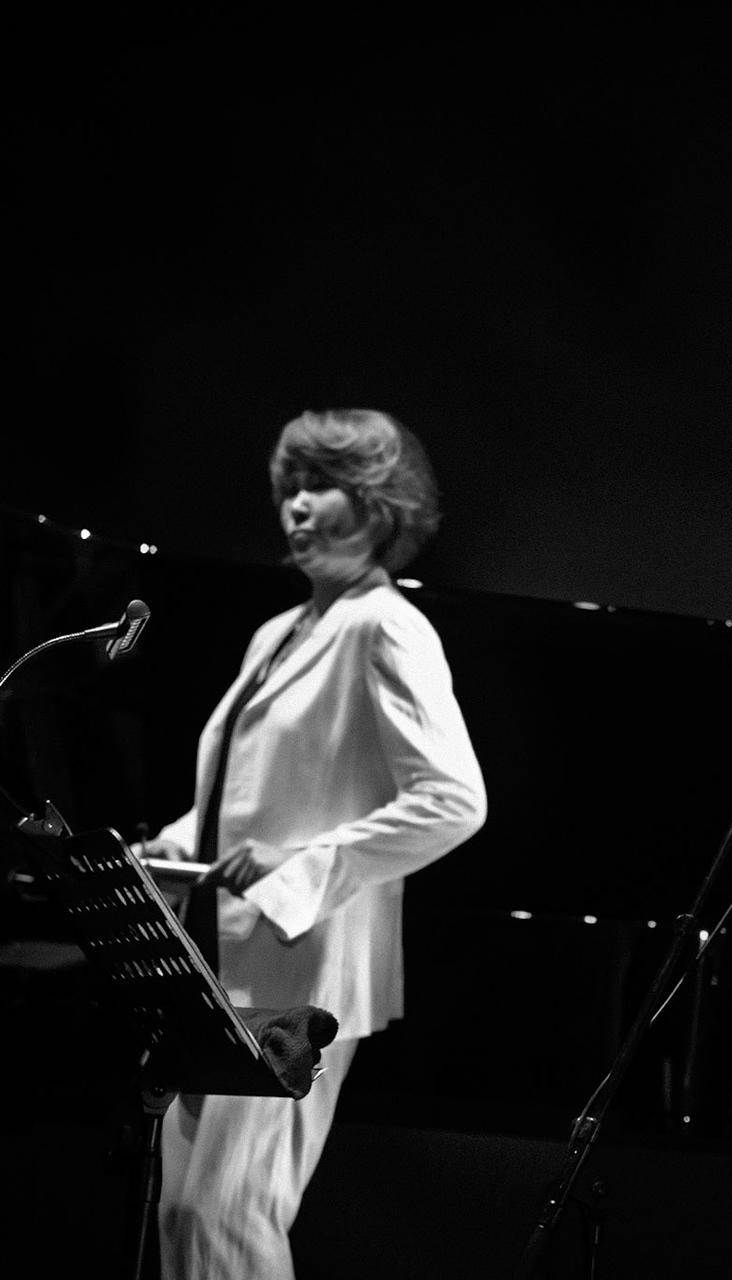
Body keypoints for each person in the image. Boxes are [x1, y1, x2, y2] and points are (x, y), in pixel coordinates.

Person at [138, 409, 487, 1279]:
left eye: (319, 486)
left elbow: (453, 801)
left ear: (377, 505)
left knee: (225, 1213)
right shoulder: (278, 633)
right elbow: (240, 808)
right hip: (224, 954)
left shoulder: (386, 626)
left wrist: (304, 869)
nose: (295, 507)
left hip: (301, 963)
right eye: (289, 489)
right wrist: (164, 852)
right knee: (185, 1213)